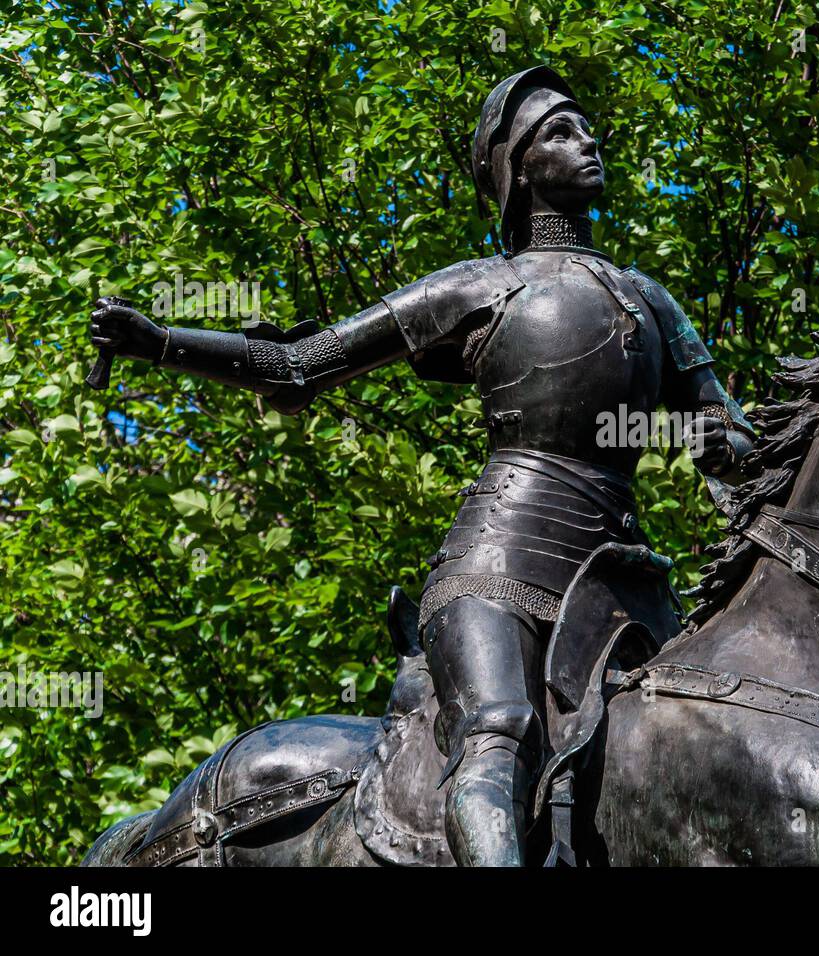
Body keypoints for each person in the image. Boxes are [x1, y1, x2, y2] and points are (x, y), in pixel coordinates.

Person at [88, 65, 754, 866]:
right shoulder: (480, 287)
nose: (589, 140)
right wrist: (159, 341)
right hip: (498, 567)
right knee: (497, 732)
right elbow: (301, 363)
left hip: (621, 589)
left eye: (586, 127)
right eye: (559, 131)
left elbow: (727, 434)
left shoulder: (652, 301)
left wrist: (745, 442)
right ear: (517, 169)